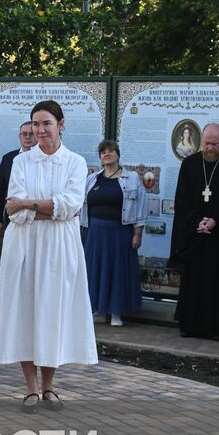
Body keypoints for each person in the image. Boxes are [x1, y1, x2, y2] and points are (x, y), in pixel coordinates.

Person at [0, 100, 96, 411]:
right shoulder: (22, 161)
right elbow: (14, 211)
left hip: (59, 247)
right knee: (25, 310)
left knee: (53, 312)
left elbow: (71, 205)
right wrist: (42, 208)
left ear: (60, 125)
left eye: (46, 124)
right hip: (24, 245)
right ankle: (30, 388)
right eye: (36, 124)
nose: (40, 130)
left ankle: (50, 386)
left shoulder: (76, 163)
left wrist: (30, 204)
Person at [169, 123, 219, 341]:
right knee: (193, 282)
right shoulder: (189, 164)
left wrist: (216, 220)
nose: (209, 148)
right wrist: (197, 221)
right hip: (195, 236)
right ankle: (189, 325)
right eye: (206, 143)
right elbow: (182, 200)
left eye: (214, 143)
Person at [80, 139, 145, 327]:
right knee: (94, 271)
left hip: (119, 232)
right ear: (100, 157)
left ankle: (116, 313)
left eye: (110, 151)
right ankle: (95, 309)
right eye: (103, 152)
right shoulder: (92, 179)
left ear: (118, 154)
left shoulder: (131, 178)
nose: (106, 154)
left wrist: (137, 233)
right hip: (94, 232)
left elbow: (140, 207)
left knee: (117, 272)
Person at [0, 122, 36, 260]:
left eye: (31, 133)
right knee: (14, 257)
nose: (27, 137)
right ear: (19, 136)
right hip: (13, 217)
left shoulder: (43, 158)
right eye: (24, 134)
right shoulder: (9, 158)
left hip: (37, 218)